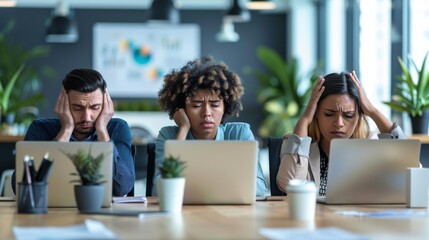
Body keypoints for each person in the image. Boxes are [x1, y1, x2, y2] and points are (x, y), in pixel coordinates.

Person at [276, 71, 407, 195]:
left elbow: (409, 174)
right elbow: (289, 185)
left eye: (348, 115)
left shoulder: (371, 144)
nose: (339, 123)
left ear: (359, 116)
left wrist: (372, 111)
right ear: (316, 113)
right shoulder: (297, 145)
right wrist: (304, 120)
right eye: (329, 114)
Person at [153, 56, 268, 196]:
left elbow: (260, 188)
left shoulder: (239, 134)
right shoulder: (168, 136)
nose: (206, 113)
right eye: (196, 105)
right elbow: (158, 190)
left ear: (225, 107)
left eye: (214, 105)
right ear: (181, 109)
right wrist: (183, 130)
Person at [12, 68, 135, 197]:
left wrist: (102, 131)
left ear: (105, 105)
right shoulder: (40, 128)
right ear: (63, 103)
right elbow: (19, 186)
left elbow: (122, 187)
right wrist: (66, 131)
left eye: (95, 107)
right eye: (77, 108)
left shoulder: (117, 128)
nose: (87, 117)